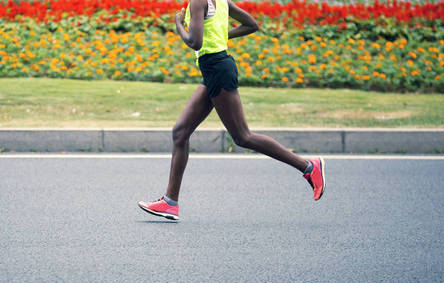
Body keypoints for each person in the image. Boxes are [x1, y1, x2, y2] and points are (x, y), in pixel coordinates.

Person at [138, 0, 325, 220]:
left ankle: (308, 167)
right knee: (180, 132)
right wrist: (221, 35)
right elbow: (251, 24)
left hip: (217, 69)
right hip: (214, 69)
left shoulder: (198, 1)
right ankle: (170, 203)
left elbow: (195, 42)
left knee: (243, 136)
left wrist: (179, 23)